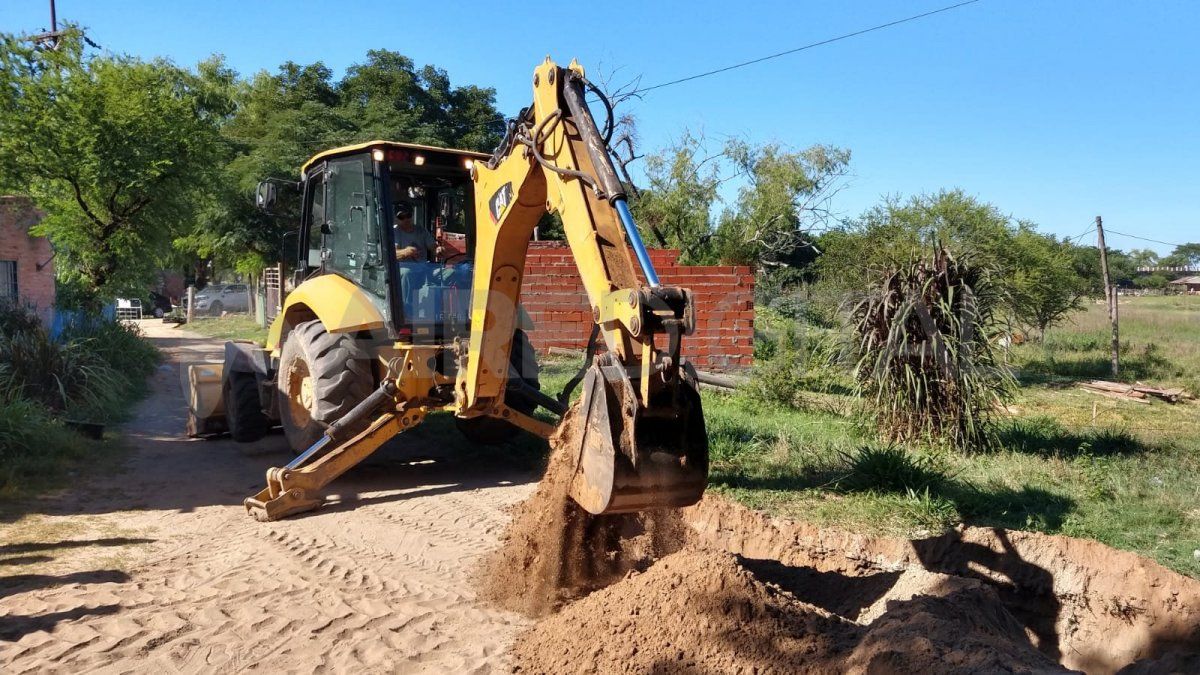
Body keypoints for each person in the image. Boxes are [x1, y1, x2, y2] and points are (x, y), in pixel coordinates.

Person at [393, 201, 442, 318]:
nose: (406, 219)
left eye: (408, 215)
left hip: (423, 268)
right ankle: (407, 313)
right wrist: (405, 252)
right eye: (401, 217)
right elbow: (391, 254)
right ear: (396, 218)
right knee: (406, 274)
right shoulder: (395, 232)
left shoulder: (421, 230)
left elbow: (433, 247)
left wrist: (438, 249)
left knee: (449, 273)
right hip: (403, 268)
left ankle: (446, 312)